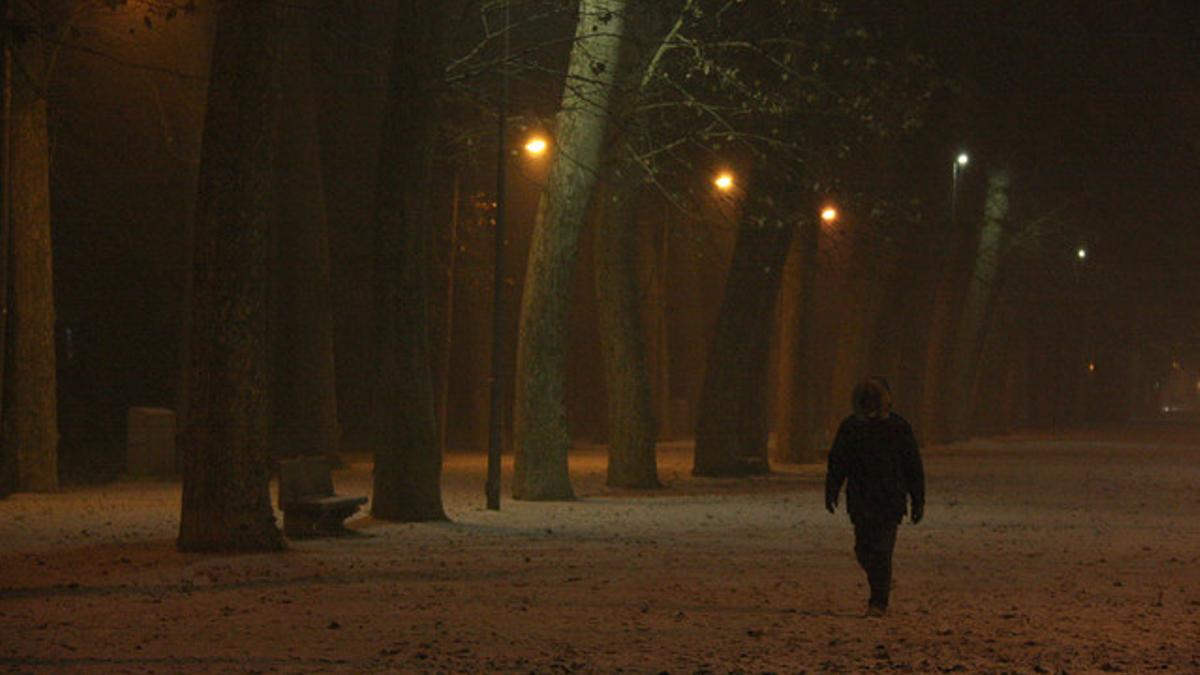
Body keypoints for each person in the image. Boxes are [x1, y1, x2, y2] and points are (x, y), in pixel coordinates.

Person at [824, 376, 925, 617]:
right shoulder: (850, 427)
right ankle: (880, 580)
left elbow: (912, 465)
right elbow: (838, 462)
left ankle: (878, 601)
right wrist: (831, 489)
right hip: (861, 497)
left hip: (890, 498)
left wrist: (918, 499)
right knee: (863, 549)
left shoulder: (898, 427)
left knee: (882, 550)